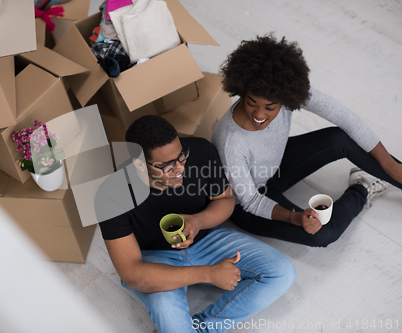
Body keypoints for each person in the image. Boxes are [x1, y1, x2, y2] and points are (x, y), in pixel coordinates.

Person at [97, 115, 296, 333]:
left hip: (207, 238)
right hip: (153, 259)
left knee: (282, 272)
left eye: (181, 156)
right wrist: (208, 274)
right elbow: (133, 275)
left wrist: (198, 220)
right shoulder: (111, 195)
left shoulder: (200, 151)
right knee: (170, 319)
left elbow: (225, 200)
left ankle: (204, 328)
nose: (179, 168)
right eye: (167, 166)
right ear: (139, 163)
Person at [211, 34, 402, 248]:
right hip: (248, 203)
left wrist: (391, 166)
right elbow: (251, 201)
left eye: (270, 107)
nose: (259, 114)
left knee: (339, 138)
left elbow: (345, 117)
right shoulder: (232, 141)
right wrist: (295, 217)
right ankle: (362, 187)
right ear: (243, 91)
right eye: (251, 103)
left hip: (276, 167)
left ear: (284, 98)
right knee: (322, 234)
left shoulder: (284, 91)